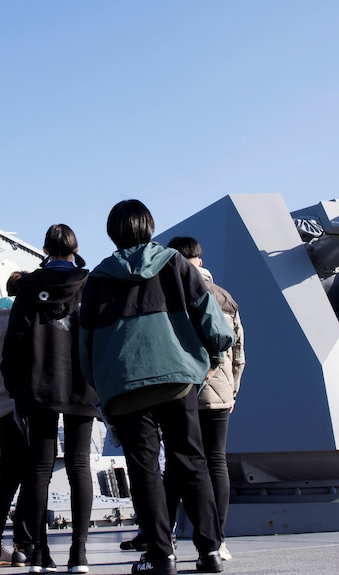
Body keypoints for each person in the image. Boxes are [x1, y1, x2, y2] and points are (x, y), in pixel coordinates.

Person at [79, 200, 234, 575]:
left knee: (145, 469)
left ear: (112, 232)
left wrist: (100, 386)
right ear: (149, 226)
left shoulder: (98, 278)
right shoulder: (175, 263)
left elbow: (85, 343)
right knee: (192, 462)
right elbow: (215, 323)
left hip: (126, 384)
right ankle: (210, 552)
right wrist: (212, 356)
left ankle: (161, 556)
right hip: (178, 380)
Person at [2, 224, 98, 574]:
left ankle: (38, 553)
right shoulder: (90, 283)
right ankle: (80, 554)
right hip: (82, 385)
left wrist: (14, 389)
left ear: (45, 248)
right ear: (75, 248)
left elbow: (14, 341)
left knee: (39, 469)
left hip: (38, 387)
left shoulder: (28, 288)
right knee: (79, 465)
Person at [164, 237, 245, 562]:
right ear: (200, 259)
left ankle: (165, 540)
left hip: (179, 392)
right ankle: (217, 540)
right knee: (216, 461)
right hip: (220, 394)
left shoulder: (170, 295)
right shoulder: (226, 298)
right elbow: (238, 354)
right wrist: (233, 391)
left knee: (173, 465)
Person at [0, 271, 32, 568]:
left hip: (2, 409)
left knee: (6, 481)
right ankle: (23, 545)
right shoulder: (24, 322)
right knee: (34, 478)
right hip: (28, 408)